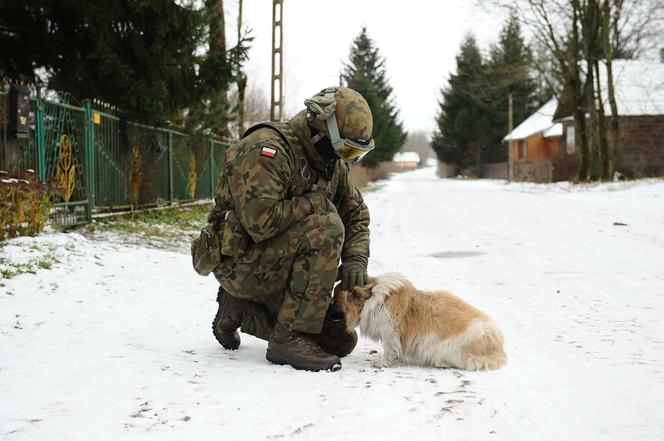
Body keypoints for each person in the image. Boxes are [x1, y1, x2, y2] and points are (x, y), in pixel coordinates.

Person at [191, 87, 374, 372]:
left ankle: (240, 309)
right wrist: (315, 204)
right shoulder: (267, 150)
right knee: (326, 225)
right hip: (239, 263)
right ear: (321, 128)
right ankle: (289, 338)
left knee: (340, 341)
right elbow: (259, 223)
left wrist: (356, 258)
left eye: (355, 153)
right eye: (346, 148)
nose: (346, 158)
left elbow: (356, 214)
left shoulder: (330, 164)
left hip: (280, 266)